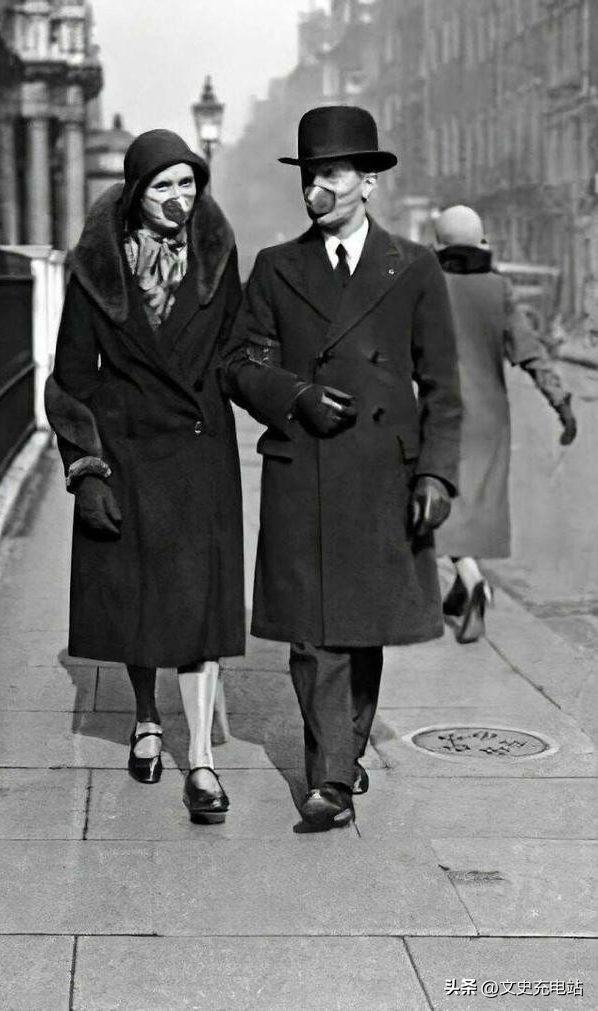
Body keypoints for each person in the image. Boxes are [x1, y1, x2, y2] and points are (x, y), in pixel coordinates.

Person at [224, 106, 462, 831]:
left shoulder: (413, 267)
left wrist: (436, 474)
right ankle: (329, 774)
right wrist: (295, 394)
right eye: (308, 176)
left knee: (362, 627)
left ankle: (345, 747)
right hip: (303, 466)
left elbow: (444, 385)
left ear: (368, 182)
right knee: (313, 630)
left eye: (330, 174)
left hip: (383, 475)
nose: (316, 190)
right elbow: (239, 364)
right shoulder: (275, 268)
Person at [45, 129, 245, 824]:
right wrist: (86, 468)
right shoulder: (97, 268)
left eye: (188, 182)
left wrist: (288, 401)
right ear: (137, 193)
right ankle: (145, 716)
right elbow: (71, 377)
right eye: (163, 185)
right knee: (139, 595)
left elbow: (238, 352)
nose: (178, 197)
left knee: (198, 603)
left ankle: (202, 760)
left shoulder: (218, 256)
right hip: (127, 450)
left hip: (200, 448)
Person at [433, 205, 578, 644]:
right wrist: (561, 403)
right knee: (474, 508)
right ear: (482, 243)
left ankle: (473, 582)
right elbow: (531, 352)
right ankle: (461, 592)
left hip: (440, 414)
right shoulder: (500, 289)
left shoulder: (427, 286)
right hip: (491, 419)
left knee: (439, 506)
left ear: (438, 245)